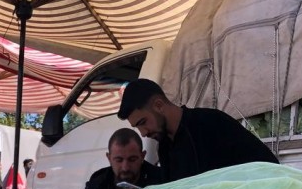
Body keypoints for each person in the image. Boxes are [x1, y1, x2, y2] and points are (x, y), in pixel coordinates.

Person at [118, 78, 277, 183]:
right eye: (137, 127)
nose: (143, 133)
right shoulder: (165, 147)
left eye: (143, 122)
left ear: (159, 105)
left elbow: (269, 167)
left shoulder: (211, 123)